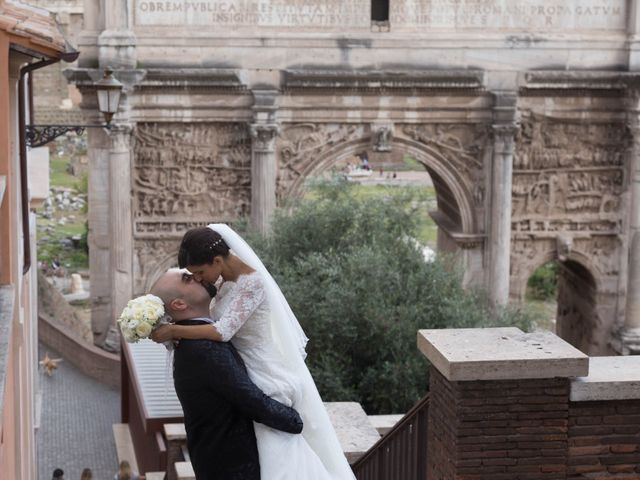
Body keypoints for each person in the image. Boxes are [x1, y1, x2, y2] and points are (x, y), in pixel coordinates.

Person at [151, 224, 356, 480]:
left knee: (279, 449)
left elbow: (222, 331)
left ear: (217, 260)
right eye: (192, 276)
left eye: (200, 272)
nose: (200, 279)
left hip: (261, 368)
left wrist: (174, 331)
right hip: (243, 371)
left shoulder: (252, 283)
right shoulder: (224, 285)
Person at [150, 269, 304, 480]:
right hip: (233, 468)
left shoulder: (193, 337)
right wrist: (295, 421)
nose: (196, 276)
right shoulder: (203, 349)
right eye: (187, 279)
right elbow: (250, 399)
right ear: (179, 304)